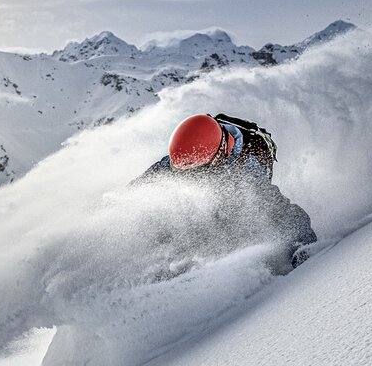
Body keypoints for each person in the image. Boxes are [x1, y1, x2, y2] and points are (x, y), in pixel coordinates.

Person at [135, 113, 317, 271]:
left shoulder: (246, 175)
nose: (189, 178)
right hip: (213, 171)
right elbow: (147, 184)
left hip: (238, 198)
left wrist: (302, 250)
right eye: (182, 172)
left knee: (230, 221)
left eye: (196, 172)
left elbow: (285, 215)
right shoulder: (187, 157)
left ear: (218, 158)